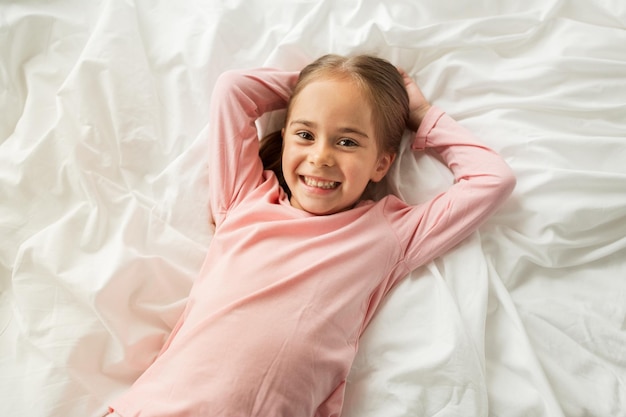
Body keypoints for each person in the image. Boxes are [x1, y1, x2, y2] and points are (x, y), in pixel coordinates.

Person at [107, 54, 516, 417]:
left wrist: (419, 113)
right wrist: (323, 85)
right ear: (284, 140)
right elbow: (234, 89)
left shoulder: (388, 234)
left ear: (381, 165)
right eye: (305, 134)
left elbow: (491, 179)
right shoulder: (245, 200)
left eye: (347, 141)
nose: (321, 156)